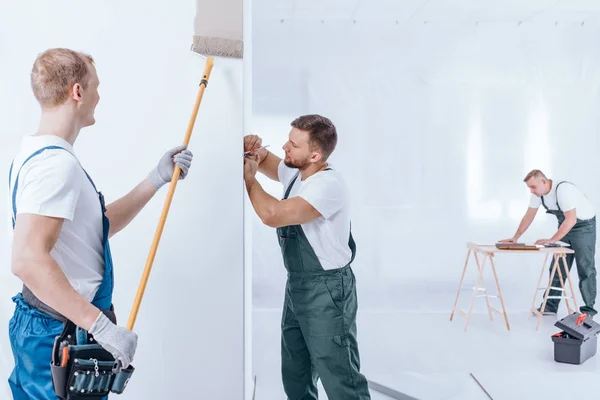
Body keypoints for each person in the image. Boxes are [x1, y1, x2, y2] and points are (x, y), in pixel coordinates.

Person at [7, 48, 194, 399]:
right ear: (77, 92)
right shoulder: (55, 167)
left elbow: (94, 228)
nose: (99, 96)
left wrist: (155, 179)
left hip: (52, 325)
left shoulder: (37, 156)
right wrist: (99, 325)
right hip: (59, 331)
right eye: (96, 86)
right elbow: (27, 259)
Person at [243, 114, 371, 400]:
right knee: (296, 371)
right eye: (288, 140)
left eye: (293, 145)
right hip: (298, 286)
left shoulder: (327, 186)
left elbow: (272, 214)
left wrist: (249, 179)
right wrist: (256, 151)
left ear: (315, 155)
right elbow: (268, 162)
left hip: (327, 290)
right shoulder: (299, 172)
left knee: (339, 375)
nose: (285, 148)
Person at [500, 169, 597, 317]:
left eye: (533, 187)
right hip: (565, 226)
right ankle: (550, 307)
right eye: (529, 188)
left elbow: (571, 219)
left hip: (584, 227)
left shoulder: (563, 190)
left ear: (543, 182)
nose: (531, 191)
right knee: (557, 268)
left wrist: (553, 240)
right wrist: (515, 237)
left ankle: (588, 311)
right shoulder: (538, 194)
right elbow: (529, 216)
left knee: (585, 268)